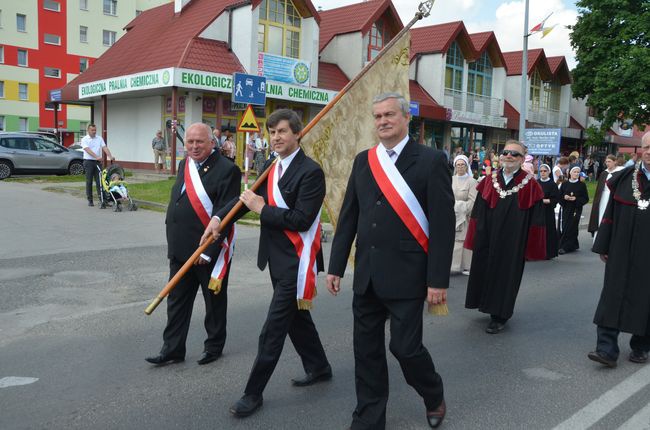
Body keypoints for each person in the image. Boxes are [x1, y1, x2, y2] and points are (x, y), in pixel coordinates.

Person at [326, 93, 454, 429]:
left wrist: (438, 280)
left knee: (405, 349)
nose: (382, 121)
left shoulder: (430, 161)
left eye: (389, 115)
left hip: (408, 276)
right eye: (378, 116)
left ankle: (432, 392)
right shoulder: (364, 161)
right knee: (366, 353)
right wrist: (336, 266)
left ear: (406, 117)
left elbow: (442, 227)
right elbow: (349, 216)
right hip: (367, 275)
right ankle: (368, 418)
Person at [201, 109, 331, 418]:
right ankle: (319, 366)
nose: (276, 138)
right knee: (297, 320)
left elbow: (302, 219)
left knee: (272, 329)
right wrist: (219, 218)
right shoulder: (272, 166)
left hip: (298, 263)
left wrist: (262, 209)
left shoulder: (311, 172)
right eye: (272, 132)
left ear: (297, 134)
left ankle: (252, 393)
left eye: (283, 131)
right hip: (276, 259)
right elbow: (246, 199)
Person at [145, 123, 241, 367]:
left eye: (200, 142)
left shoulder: (227, 170)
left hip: (207, 250)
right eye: (190, 142)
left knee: (214, 303)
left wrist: (208, 252)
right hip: (180, 248)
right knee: (176, 302)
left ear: (212, 143)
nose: (194, 146)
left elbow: (227, 214)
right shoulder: (184, 164)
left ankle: (214, 346)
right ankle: (172, 349)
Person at [464, 140, 546, 334]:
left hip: (513, 240)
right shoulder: (489, 180)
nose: (509, 156)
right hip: (488, 236)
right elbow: (477, 212)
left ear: (522, 159)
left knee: (505, 275)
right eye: (506, 152)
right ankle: (484, 304)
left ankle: (500, 315)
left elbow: (537, 220)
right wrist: (474, 237)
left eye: (515, 154)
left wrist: (532, 248)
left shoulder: (531, 185)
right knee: (484, 270)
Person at [588, 132, 650, 368]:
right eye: (646, 146)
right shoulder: (624, 179)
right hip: (621, 248)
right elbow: (610, 214)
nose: (649, 151)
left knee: (647, 298)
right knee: (612, 295)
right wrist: (604, 245)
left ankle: (641, 345)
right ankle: (606, 349)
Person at [451, 154, 478, 275]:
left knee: (464, 240)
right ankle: (452, 265)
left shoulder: (472, 182)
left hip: (466, 216)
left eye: (463, 164)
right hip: (451, 215)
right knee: (452, 241)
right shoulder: (450, 179)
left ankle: (467, 266)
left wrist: (458, 206)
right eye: (458, 165)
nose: (460, 167)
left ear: (467, 166)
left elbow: (473, 201)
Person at [588, 154, 623, 239]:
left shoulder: (620, 173)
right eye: (606, 162)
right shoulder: (604, 173)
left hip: (613, 198)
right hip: (602, 198)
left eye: (609, 161)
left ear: (615, 162)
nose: (607, 163)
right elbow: (599, 189)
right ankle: (598, 238)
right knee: (600, 215)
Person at [557, 166, 589, 255]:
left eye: (578, 172)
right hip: (565, 208)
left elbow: (585, 198)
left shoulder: (582, 185)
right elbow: (559, 196)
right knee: (563, 226)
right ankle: (571, 244)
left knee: (572, 227)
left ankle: (565, 246)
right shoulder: (564, 184)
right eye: (574, 172)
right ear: (570, 173)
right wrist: (564, 197)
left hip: (575, 209)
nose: (576, 174)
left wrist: (576, 199)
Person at [81, 124, 115, 207]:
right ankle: (90, 200)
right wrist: (97, 157)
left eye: (95, 130)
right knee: (89, 181)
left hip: (97, 162)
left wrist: (110, 156)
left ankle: (102, 200)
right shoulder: (84, 139)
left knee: (100, 181)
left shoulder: (99, 138)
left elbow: (104, 147)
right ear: (88, 130)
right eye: (92, 130)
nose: (94, 132)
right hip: (88, 162)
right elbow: (87, 150)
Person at [538, 164, 560, 259]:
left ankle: (548, 253)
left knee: (547, 232)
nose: (542, 173)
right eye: (541, 171)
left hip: (547, 211)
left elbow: (555, 199)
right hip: (537, 212)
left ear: (549, 172)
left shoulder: (552, 184)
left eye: (544, 171)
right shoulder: (536, 183)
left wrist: (545, 201)